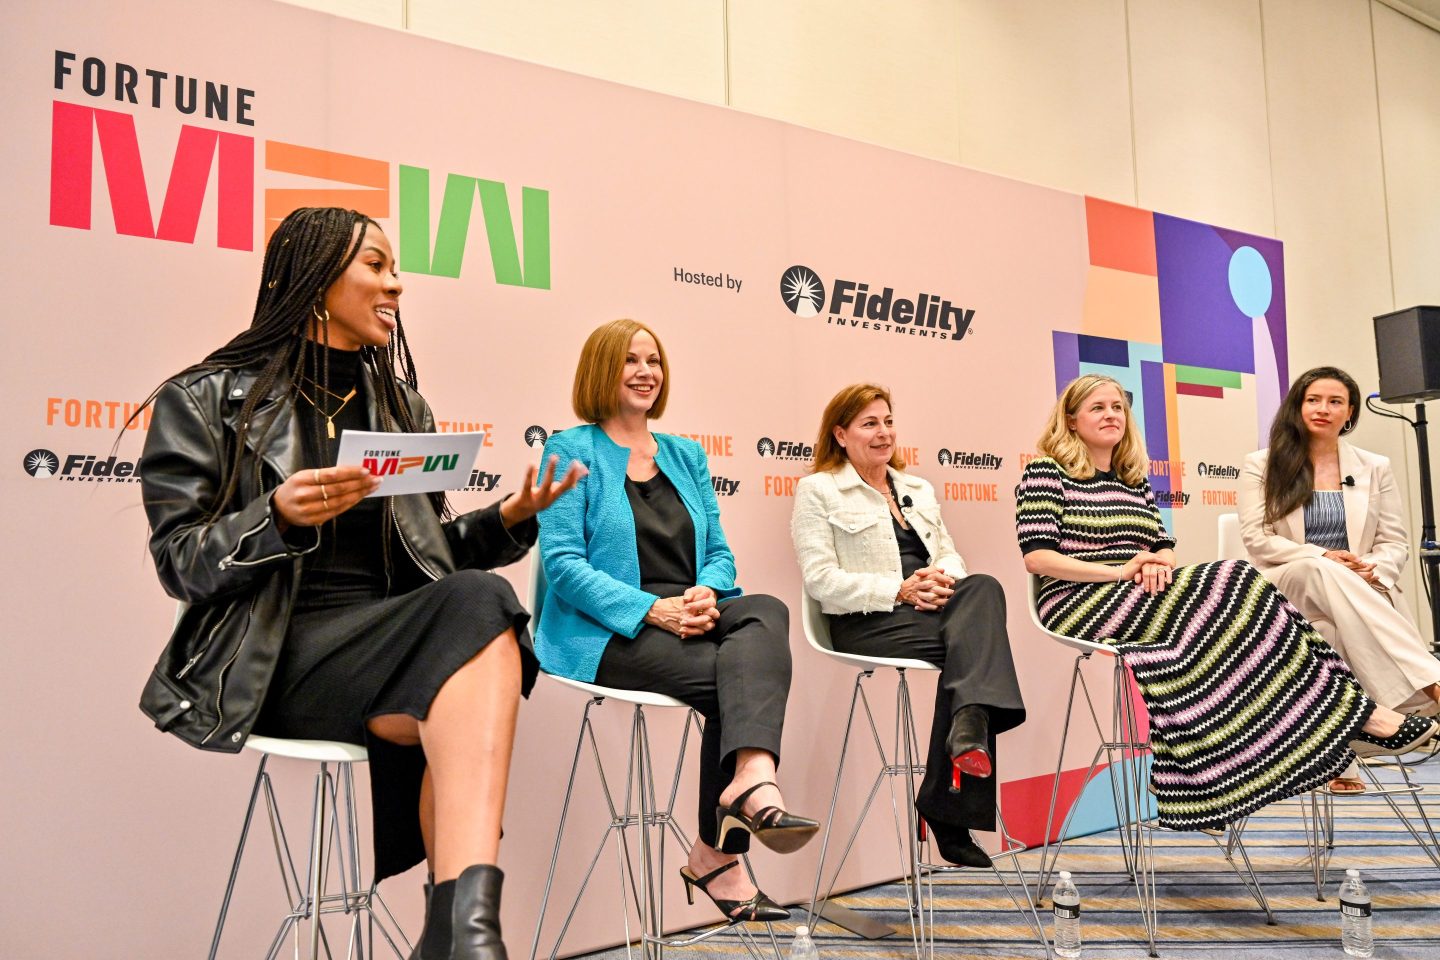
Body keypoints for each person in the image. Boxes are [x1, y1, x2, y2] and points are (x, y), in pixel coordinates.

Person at [137, 207, 581, 960]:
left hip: (391, 649)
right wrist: (273, 517)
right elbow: (180, 563)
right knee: (480, 630)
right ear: (315, 283)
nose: (397, 285)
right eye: (376, 266)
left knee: (476, 607)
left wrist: (509, 518)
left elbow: (432, 555)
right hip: (277, 660)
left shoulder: (402, 407)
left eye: (395, 267)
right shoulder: (206, 397)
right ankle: (460, 937)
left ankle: (462, 932)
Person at [1014, 374, 1438, 833]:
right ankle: (1360, 717)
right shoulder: (1046, 471)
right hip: (1081, 600)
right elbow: (1038, 558)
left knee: (1240, 613)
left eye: (1118, 407)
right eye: (1097, 408)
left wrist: (1158, 560)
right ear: (1072, 420)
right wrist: (1122, 571)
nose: (1111, 415)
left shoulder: (1132, 478)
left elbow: (1162, 542)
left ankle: (1312, 732)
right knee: (1235, 575)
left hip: (1142, 591)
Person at [534, 318, 815, 923]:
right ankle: (722, 848)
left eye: (653, 360)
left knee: (765, 609)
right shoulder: (570, 449)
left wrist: (706, 593)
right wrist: (650, 610)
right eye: (630, 360)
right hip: (606, 626)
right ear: (600, 371)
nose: (645, 372)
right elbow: (562, 566)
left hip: (688, 608)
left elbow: (719, 552)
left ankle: (750, 781)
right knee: (731, 680)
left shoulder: (685, 455)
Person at [790, 384, 1026, 867]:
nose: (884, 433)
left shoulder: (917, 489)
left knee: (981, 586)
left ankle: (967, 730)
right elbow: (821, 581)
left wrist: (941, 582)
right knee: (974, 654)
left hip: (931, 610)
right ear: (841, 434)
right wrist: (898, 589)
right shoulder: (819, 489)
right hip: (868, 620)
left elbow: (949, 554)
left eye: (889, 421)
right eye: (869, 424)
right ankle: (951, 796)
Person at [1240, 366, 1440, 793]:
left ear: (1350, 412)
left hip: (1356, 589)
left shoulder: (1374, 466)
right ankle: (1429, 681)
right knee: (1319, 569)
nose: (1323, 409)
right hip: (1286, 582)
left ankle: (1339, 754)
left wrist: (1374, 570)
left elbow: (1393, 542)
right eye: (1314, 400)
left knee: (1332, 625)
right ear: (1298, 405)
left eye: (1335, 402)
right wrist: (1324, 555)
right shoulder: (1262, 464)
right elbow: (1257, 541)